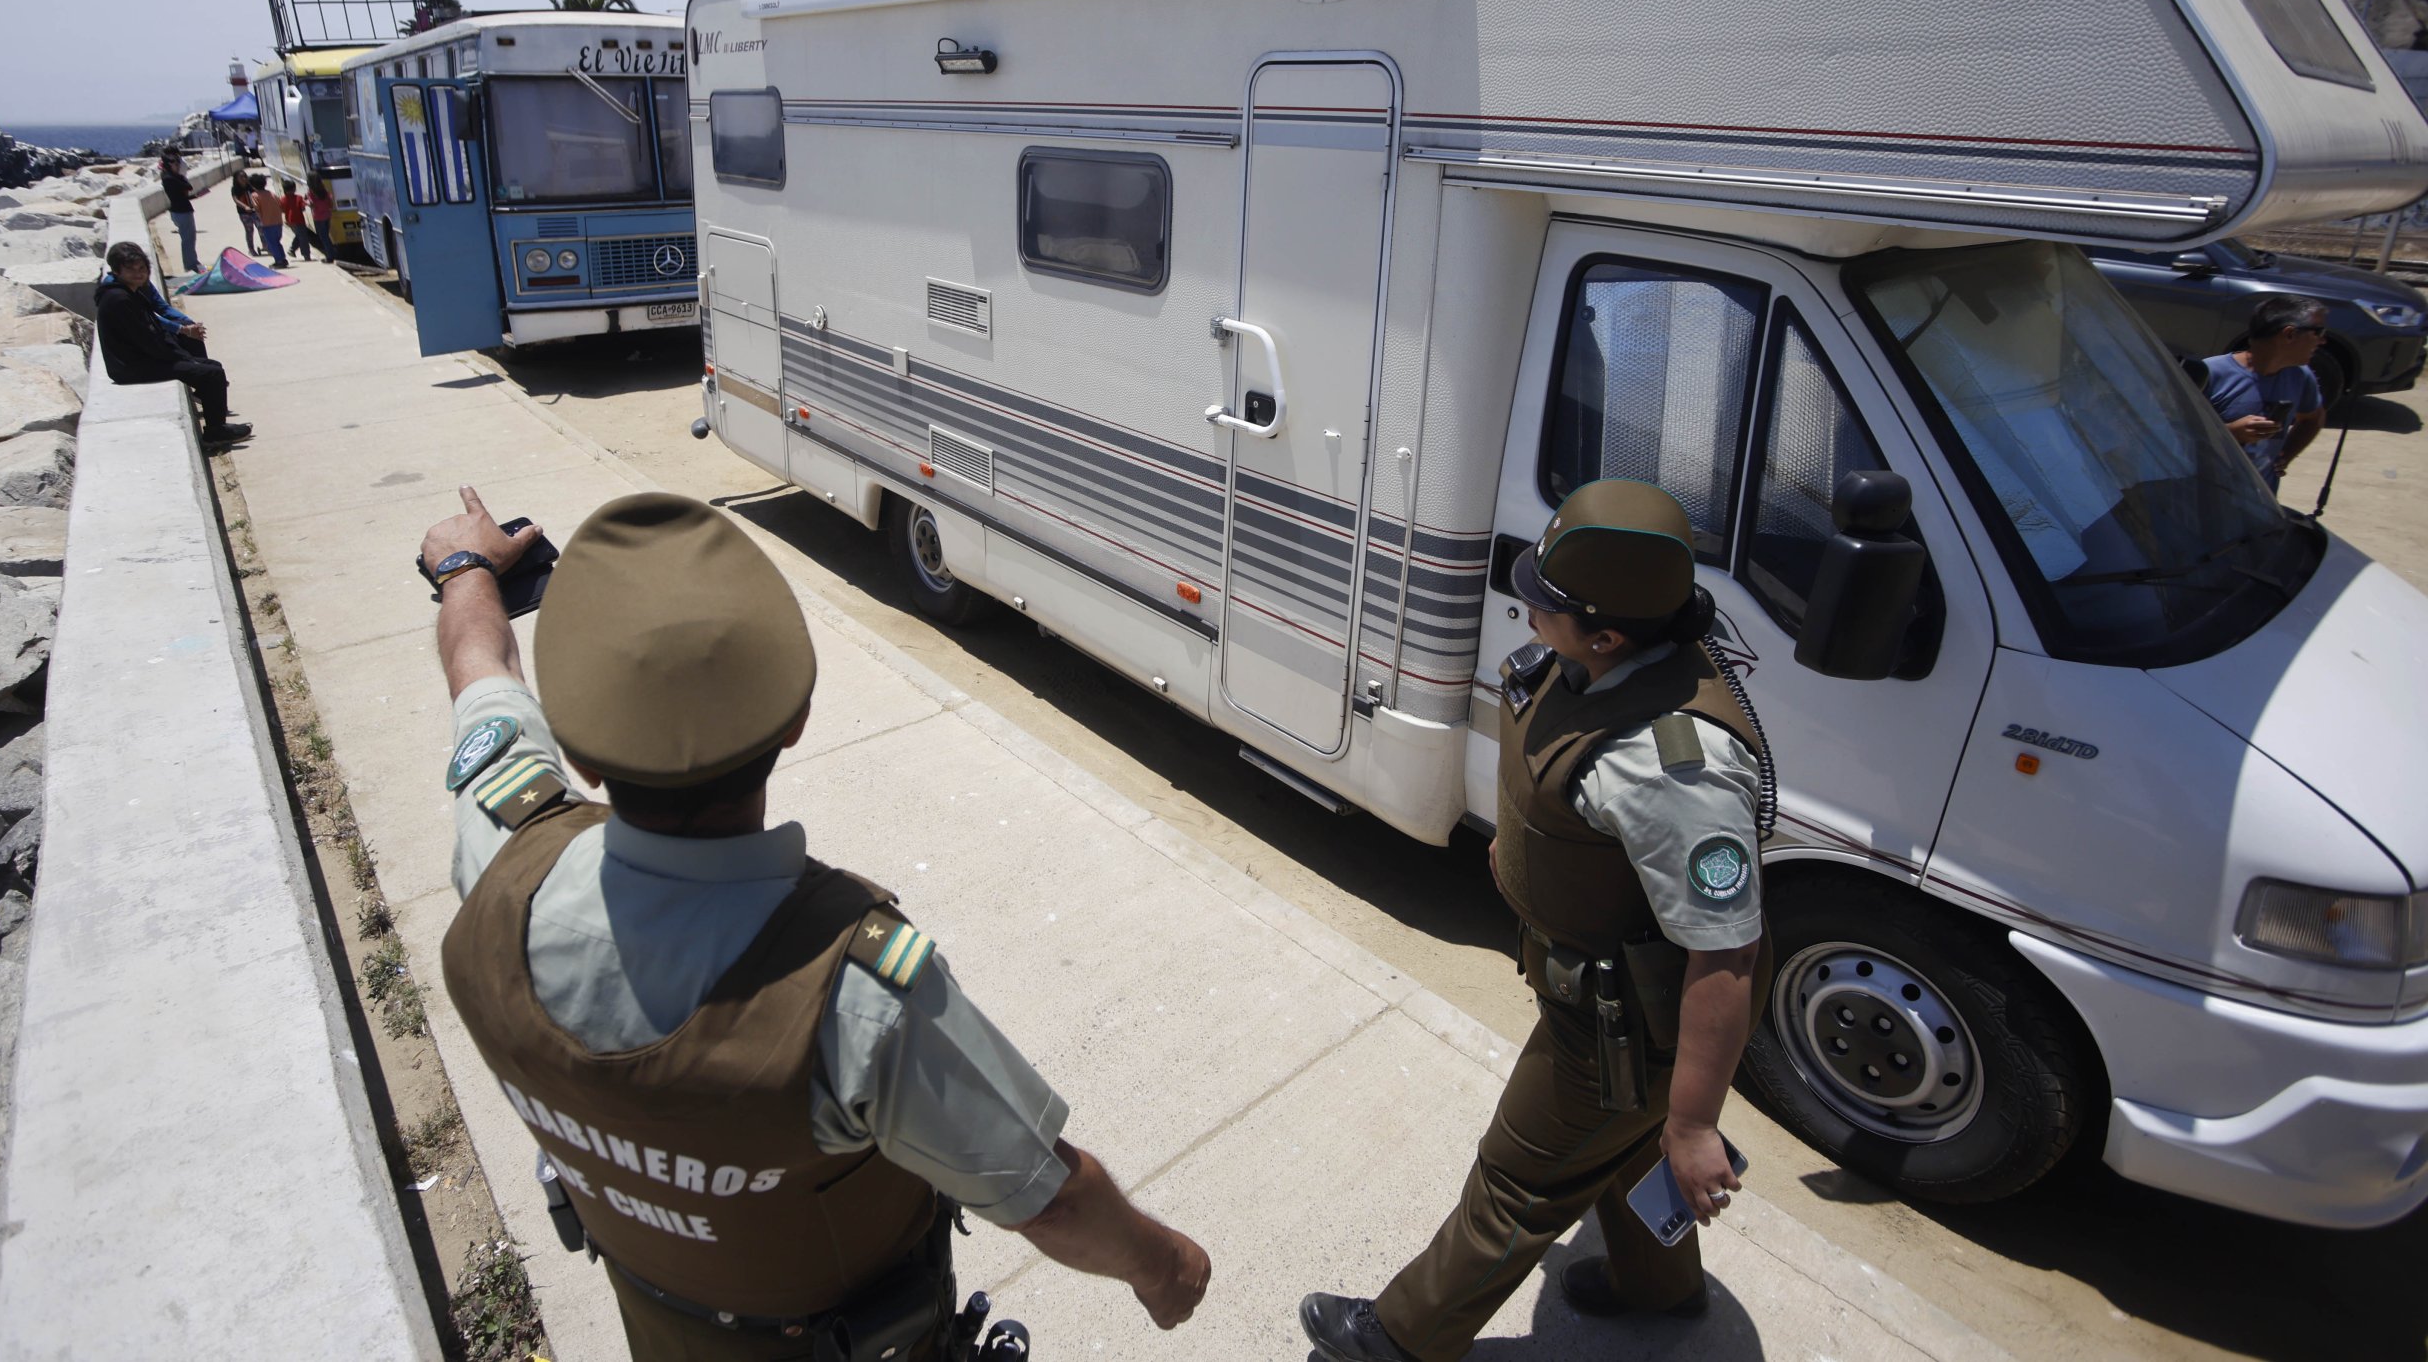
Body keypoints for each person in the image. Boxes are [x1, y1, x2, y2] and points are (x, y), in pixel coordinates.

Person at [424, 488, 1210, 1360]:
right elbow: (1049, 1199)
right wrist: (1167, 1268)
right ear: (796, 720)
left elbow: (479, 668)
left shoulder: (500, 852)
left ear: (577, 754)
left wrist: (465, 567)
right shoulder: (854, 998)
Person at [1301, 480, 1771, 1362]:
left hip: (1623, 1028)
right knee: (1619, 1147)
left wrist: (1696, 1123)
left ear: (1608, 635)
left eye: (1545, 604)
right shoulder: (1601, 661)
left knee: (1519, 1178)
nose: (1527, 611)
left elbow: (1728, 956)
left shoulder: (1676, 771)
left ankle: (1397, 1341)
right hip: (1595, 990)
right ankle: (1660, 1288)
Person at [95, 242, 247, 447]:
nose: (138, 274)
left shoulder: (129, 291)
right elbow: (147, 339)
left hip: (138, 359)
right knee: (211, 373)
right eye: (131, 270)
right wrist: (185, 358)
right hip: (130, 367)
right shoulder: (120, 299)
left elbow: (155, 323)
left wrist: (185, 346)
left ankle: (217, 422)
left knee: (212, 366)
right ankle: (215, 432)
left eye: (141, 268)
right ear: (117, 271)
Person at [2202, 294, 2328, 491]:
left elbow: (2312, 419)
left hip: (2259, 500)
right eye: (2318, 332)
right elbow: (2173, 432)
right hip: (2205, 494)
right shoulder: (2210, 373)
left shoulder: (2301, 376)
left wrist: (2286, 455)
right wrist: (2231, 432)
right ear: (2289, 334)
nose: (2323, 341)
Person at [158, 149, 201, 273]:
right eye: (174, 163)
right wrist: (181, 178)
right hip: (181, 212)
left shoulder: (174, 177)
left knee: (190, 238)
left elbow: (186, 188)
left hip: (183, 209)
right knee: (187, 239)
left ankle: (192, 262)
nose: (177, 165)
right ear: (167, 164)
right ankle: (190, 265)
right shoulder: (169, 178)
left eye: (178, 162)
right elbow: (187, 186)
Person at [253, 179, 286, 267]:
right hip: (278, 222)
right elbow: (280, 204)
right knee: (277, 242)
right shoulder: (272, 194)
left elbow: (256, 208)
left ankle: (279, 261)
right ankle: (283, 259)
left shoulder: (255, 195)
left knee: (272, 243)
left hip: (267, 223)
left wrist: (260, 220)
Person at [231, 173, 262, 256]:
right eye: (241, 177)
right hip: (244, 213)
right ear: (236, 179)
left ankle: (265, 246)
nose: (244, 178)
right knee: (249, 231)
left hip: (254, 211)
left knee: (261, 227)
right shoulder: (235, 188)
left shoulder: (250, 186)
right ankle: (251, 249)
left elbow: (257, 193)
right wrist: (245, 207)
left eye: (245, 176)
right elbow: (236, 200)